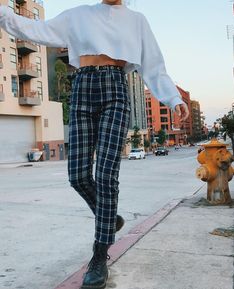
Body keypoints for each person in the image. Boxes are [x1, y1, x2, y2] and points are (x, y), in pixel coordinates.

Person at [0, 0, 189, 288]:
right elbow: (35, 29)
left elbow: (154, 66)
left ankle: (99, 256)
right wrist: (3, 14)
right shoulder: (78, 15)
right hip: (83, 87)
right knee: (77, 176)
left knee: (105, 175)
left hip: (115, 88)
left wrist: (174, 99)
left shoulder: (137, 21)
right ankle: (109, 217)